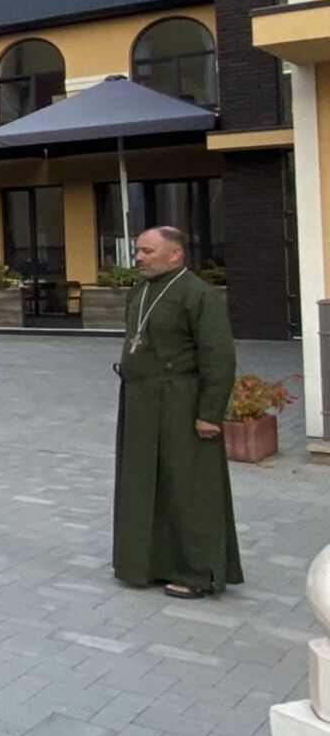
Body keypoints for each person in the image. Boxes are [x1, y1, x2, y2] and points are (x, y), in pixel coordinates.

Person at [112, 226, 242, 599]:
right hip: (141, 404)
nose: (138, 257)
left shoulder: (199, 296)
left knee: (188, 489)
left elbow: (219, 359)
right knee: (144, 485)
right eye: (138, 251)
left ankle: (198, 572)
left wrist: (209, 414)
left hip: (182, 406)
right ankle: (146, 563)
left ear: (175, 254)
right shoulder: (140, 291)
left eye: (148, 251)